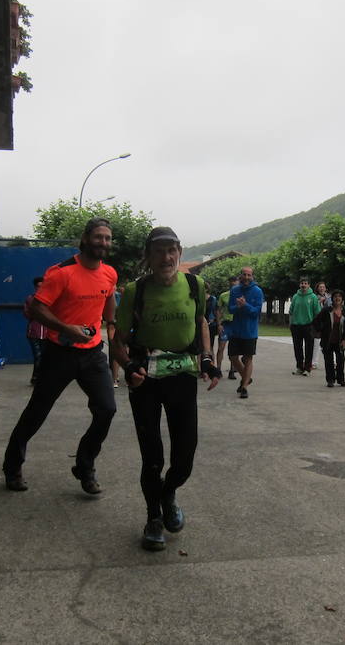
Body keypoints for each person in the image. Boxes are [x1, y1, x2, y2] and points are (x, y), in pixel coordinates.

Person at [113, 227, 221, 551]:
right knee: (152, 456)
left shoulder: (194, 284)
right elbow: (117, 340)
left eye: (171, 250)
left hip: (182, 376)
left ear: (180, 252)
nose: (166, 257)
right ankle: (154, 518)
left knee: (184, 456)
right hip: (145, 377)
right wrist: (129, 366)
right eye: (158, 251)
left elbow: (201, 321)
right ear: (148, 256)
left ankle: (169, 493)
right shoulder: (136, 290)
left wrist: (206, 357)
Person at [2, 217, 118, 494]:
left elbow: (109, 297)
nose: (103, 242)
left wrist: (112, 325)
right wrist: (67, 328)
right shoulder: (61, 272)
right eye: (99, 237)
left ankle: (85, 465)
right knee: (37, 412)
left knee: (107, 409)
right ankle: (12, 465)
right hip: (59, 354)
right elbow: (37, 309)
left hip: (92, 354)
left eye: (107, 238)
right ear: (86, 238)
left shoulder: (109, 273)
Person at [228, 266, 263, 399]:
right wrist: (237, 306)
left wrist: (245, 305)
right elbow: (230, 309)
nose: (247, 277)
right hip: (236, 330)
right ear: (240, 276)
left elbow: (256, 312)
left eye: (249, 275)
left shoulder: (257, 291)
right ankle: (246, 377)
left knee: (248, 358)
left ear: (252, 276)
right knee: (232, 357)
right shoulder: (234, 290)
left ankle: (244, 387)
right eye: (244, 275)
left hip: (250, 332)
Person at [313, 289, 345, 388]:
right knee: (329, 361)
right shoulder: (326, 310)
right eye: (335, 296)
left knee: (341, 360)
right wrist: (321, 330)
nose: (337, 298)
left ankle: (340, 379)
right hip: (327, 340)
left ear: (342, 299)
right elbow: (316, 321)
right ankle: (330, 379)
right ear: (332, 298)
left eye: (339, 296)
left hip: (340, 340)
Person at [288, 277, 321, 376]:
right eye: (302, 283)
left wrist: (316, 327)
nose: (303, 285)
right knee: (297, 348)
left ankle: (307, 368)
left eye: (306, 283)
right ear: (299, 285)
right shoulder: (295, 297)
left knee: (309, 348)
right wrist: (291, 324)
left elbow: (317, 313)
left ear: (309, 285)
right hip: (296, 326)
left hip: (309, 326)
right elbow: (291, 311)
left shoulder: (313, 297)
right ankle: (299, 367)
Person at [24, 277, 47, 385]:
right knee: (38, 356)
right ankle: (36, 378)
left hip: (47, 334)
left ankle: (40, 378)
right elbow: (27, 314)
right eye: (38, 286)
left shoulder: (49, 299)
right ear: (35, 287)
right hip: (34, 333)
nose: (40, 288)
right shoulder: (30, 299)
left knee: (45, 357)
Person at [216, 276, 239, 379]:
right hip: (225, 324)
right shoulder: (223, 296)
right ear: (229, 284)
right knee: (221, 348)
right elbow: (218, 310)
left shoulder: (241, 296)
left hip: (236, 324)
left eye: (235, 284)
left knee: (234, 350)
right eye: (231, 284)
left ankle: (232, 370)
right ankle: (218, 369)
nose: (233, 286)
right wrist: (219, 324)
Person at [108, 283, 125, 388]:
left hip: (125, 329)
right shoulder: (114, 297)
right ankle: (115, 378)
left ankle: (126, 376)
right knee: (115, 354)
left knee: (126, 352)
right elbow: (111, 321)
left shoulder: (128, 299)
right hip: (114, 328)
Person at [311, 281, 330, 370]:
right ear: (317, 288)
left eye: (323, 287)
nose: (322, 288)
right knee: (316, 343)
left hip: (327, 323)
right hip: (318, 323)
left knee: (329, 343)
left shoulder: (329, 297)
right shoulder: (314, 297)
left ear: (325, 288)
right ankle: (314, 362)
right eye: (320, 287)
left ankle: (332, 362)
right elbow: (313, 309)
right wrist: (319, 302)